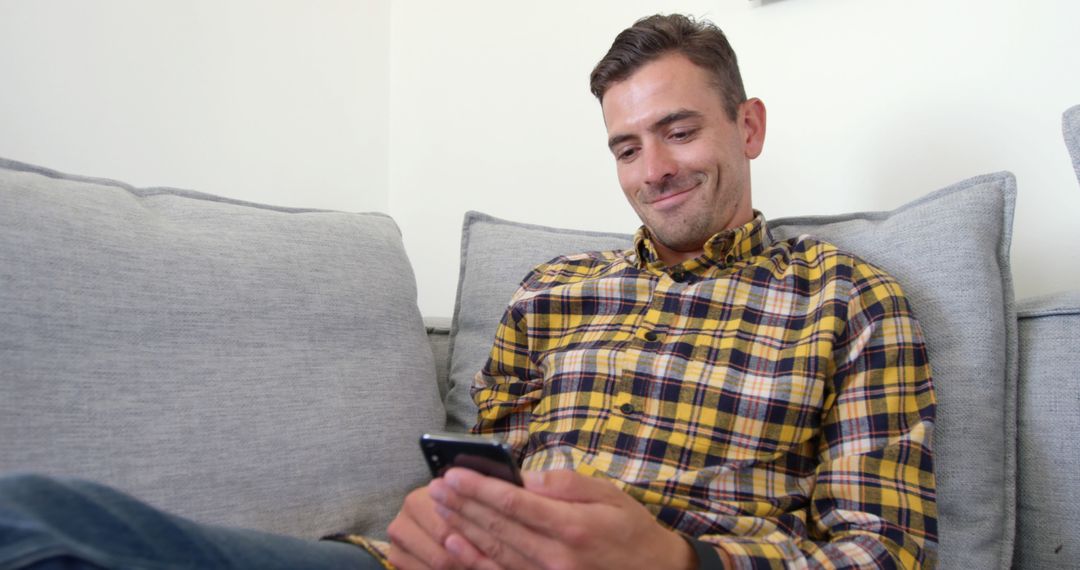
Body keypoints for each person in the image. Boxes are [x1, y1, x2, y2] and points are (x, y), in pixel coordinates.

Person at [0, 13, 937, 570]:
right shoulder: (552, 292)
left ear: (750, 126)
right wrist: (429, 515)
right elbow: (476, 469)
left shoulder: (850, 301)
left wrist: (676, 559)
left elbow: (883, 553)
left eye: (680, 131)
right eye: (625, 146)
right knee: (35, 516)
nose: (653, 170)